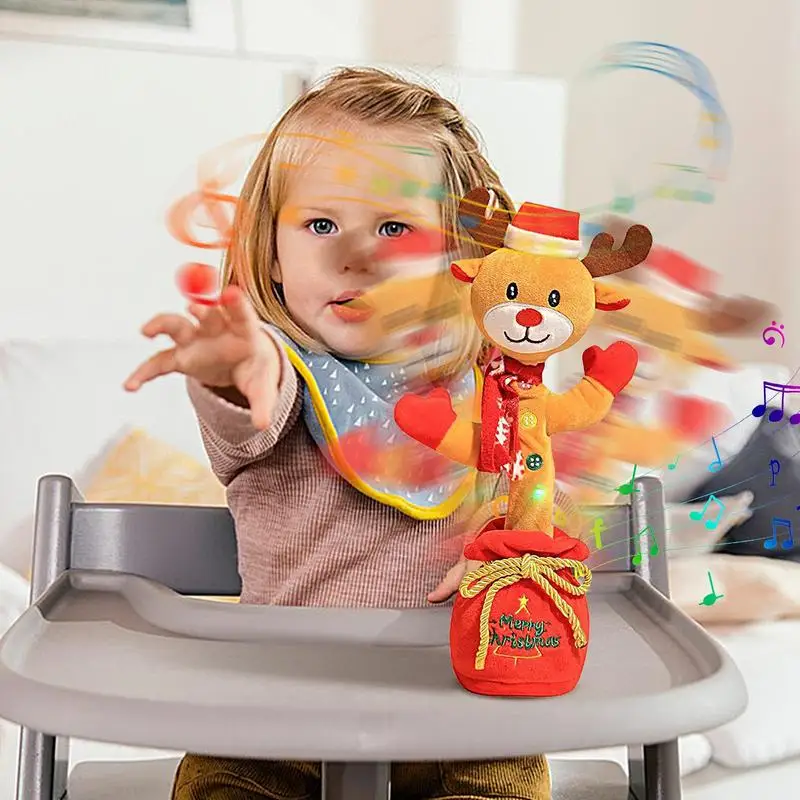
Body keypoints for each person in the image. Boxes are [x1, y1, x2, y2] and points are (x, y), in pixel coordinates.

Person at [125, 66, 551, 800]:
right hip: (270, 723)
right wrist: (235, 369)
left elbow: (544, 506)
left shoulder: (493, 382)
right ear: (272, 249)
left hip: (467, 718)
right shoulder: (279, 372)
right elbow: (254, 410)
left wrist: (520, 550)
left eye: (394, 227)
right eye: (322, 224)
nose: (357, 257)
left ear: (458, 249)